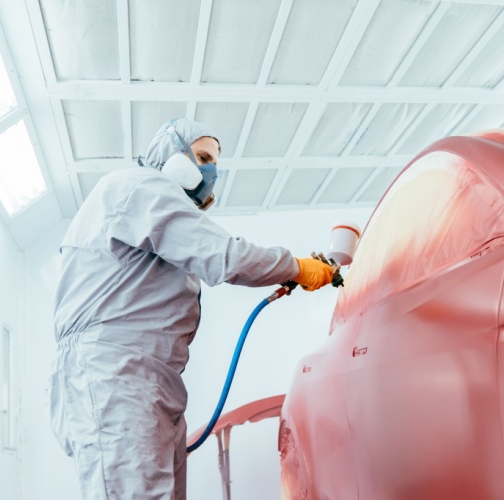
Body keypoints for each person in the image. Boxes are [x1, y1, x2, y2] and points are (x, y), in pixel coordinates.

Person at [48, 118, 333, 499]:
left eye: (212, 163)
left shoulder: (151, 207)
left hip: (144, 377)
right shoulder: (141, 186)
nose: (208, 171)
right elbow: (225, 256)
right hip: (116, 373)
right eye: (201, 157)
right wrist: (296, 266)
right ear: (170, 154)